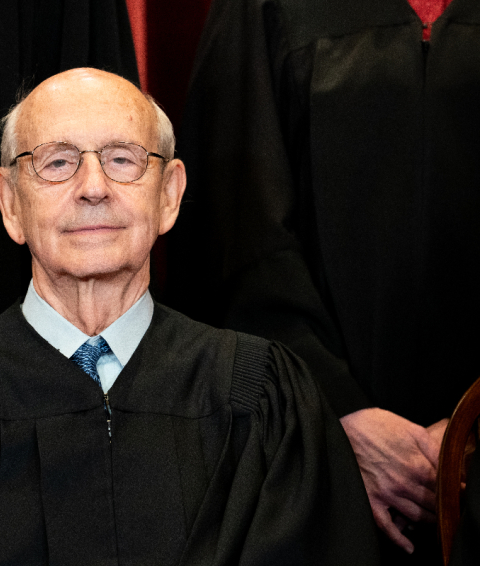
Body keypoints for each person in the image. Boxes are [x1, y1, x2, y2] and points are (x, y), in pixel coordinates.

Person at [0, 68, 378, 566]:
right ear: (11, 203)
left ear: (169, 195)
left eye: (122, 160)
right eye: (56, 162)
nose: (93, 188)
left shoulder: (262, 397)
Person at [166, 0, 480, 562]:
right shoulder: (262, 10)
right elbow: (240, 222)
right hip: (307, 451)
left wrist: (472, 426)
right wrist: (334, 414)